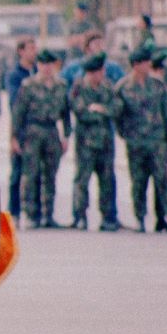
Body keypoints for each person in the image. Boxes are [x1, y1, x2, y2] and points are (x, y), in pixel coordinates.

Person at [113, 47, 167, 234]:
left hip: (157, 141)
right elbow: (118, 115)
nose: (148, 65)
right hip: (136, 142)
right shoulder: (123, 87)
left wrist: (166, 134)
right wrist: (126, 134)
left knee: (163, 179)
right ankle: (140, 217)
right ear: (135, 65)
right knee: (139, 181)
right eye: (144, 62)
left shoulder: (158, 85)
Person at [11, 49, 70, 228]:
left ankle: (48, 214)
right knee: (31, 174)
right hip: (32, 132)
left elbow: (65, 113)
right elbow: (18, 113)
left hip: (51, 131)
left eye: (50, 64)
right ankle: (31, 214)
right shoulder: (28, 85)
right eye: (43, 64)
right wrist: (14, 137)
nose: (46, 68)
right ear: (38, 65)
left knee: (50, 174)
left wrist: (66, 135)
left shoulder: (61, 85)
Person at [68, 53, 119, 231]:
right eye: (99, 71)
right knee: (82, 179)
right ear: (91, 73)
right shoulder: (79, 87)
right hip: (86, 143)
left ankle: (108, 217)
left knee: (107, 180)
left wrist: (100, 109)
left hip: (105, 143)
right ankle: (80, 216)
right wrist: (99, 112)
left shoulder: (107, 87)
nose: (102, 74)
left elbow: (117, 108)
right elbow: (80, 111)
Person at [3, 37, 37, 226]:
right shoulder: (15, 75)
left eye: (35, 48)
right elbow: (15, 101)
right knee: (17, 172)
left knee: (36, 172)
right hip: (20, 127)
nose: (34, 52)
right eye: (30, 48)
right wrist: (14, 136)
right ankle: (13, 212)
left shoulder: (38, 71)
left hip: (36, 128)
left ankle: (35, 212)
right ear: (21, 51)